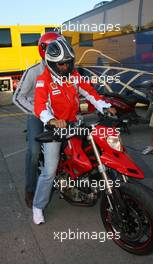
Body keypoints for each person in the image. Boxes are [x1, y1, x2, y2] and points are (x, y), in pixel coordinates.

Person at [33, 38, 116, 224]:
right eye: (62, 64)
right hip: (56, 128)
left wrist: (104, 106)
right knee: (49, 170)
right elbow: (39, 106)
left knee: (91, 155)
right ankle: (38, 206)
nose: (66, 66)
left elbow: (90, 93)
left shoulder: (74, 75)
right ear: (52, 63)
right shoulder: (43, 80)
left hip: (74, 123)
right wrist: (52, 120)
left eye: (69, 62)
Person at [13, 32, 61, 208]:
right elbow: (18, 97)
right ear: (44, 50)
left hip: (59, 116)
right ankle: (30, 189)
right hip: (37, 115)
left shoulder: (65, 69)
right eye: (54, 48)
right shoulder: (33, 72)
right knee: (33, 152)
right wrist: (37, 113)